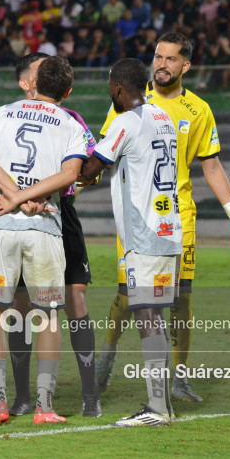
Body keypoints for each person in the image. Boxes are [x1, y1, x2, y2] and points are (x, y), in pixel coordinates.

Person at [95, 33, 230, 403]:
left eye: (171, 59)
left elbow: (212, 165)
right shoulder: (130, 100)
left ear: (186, 66)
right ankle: (107, 351)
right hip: (137, 216)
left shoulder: (198, 110)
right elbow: (105, 150)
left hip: (179, 215)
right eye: (158, 57)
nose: (161, 65)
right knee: (130, 296)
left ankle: (179, 378)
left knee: (181, 299)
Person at [0, 52, 101, 418]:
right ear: (68, 90)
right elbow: (72, 173)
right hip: (44, 225)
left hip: (0, 224)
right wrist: (29, 197)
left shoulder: (1, 112)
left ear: (34, 82)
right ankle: (44, 405)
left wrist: (11, 194)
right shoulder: (70, 123)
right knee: (48, 315)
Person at [78, 58, 180, 426]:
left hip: (144, 233)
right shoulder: (163, 117)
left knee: (148, 316)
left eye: (110, 88)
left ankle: (157, 408)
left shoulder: (124, 121)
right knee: (155, 316)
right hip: (169, 228)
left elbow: (92, 168)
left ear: (118, 88)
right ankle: (162, 403)